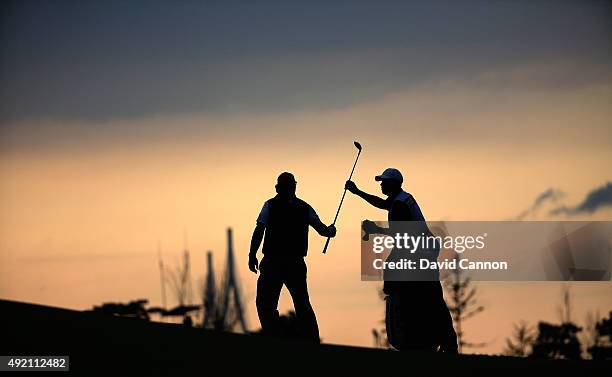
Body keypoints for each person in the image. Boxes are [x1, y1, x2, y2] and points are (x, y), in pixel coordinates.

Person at [345, 168, 457, 353]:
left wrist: (375, 230)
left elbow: (401, 235)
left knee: (428, 299)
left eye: (384, 182)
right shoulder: (402, 198)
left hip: (420, 253)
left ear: (393, 184)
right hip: (423, 251)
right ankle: (445, 343)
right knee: (433, 299)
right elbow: (382, 205)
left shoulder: (398, 205)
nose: (381, 184)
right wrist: (357, 192)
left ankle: (431, 341)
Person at [249, 172, 336, 342]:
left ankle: (274, 336)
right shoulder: (305, 207)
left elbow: (260, 229)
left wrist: (252, 254)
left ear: (277, 188)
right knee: (302, 304)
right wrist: (331, 231)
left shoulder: (270, 205)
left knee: (266, 304)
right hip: (295, 263)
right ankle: (312, 340)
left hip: (273, 262)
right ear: (294, 187)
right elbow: (322, 230)